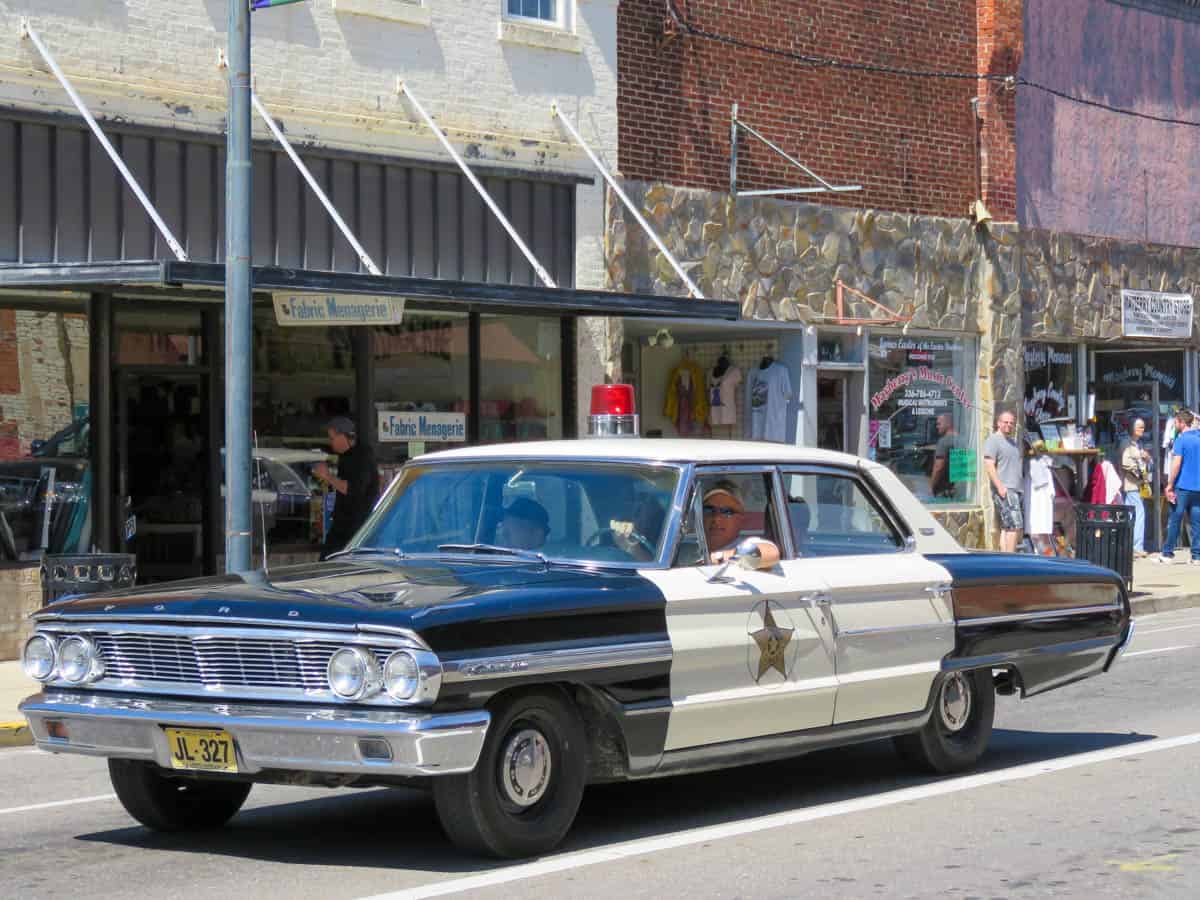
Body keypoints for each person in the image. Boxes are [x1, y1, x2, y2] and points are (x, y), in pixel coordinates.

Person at [313, 417, 380, 559]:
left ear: (343, 436)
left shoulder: (363, 455)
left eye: (332, 438)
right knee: (326, 563)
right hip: (342, 523)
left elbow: (353, 489)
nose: (330, 442)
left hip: (358, 526)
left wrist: (328, 476)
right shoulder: (345, 456)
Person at [1158, 409, 1200, 564]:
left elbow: (1176, 464)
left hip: (1182, 486)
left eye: (1176, 422)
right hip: (1198, 488)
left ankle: (1167, 553)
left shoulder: (1181, 440)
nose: (1174, 425)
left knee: (1175, 519)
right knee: (1197, 522)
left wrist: (1169, 484)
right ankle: (1197, 556)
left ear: (1182, 423)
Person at [984, 409, 1023, 552]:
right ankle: (1012, 561)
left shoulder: (1012, 442)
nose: (1009, 425)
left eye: (1012, 423)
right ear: (998, 423)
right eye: (1005, 422)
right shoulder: (993, 440)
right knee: (1014, 526)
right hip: (1005, 489)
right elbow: (989, 465)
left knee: (1007, 526)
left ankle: (1005, 558)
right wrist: (1000, 487)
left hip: (1015, 489)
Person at [1120, 418, 1151, 558]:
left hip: (1138, 484)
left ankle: (1129, 545)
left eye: (1143, 427)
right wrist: (1139, 469)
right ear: (1132, 428)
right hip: (1132, 484)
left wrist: (1146, 458)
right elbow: (1125, 463)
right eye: (1139, 427)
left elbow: (1146, 463)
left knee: (1130, 515)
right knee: (1139, 514)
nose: (1141, 430)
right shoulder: (1127, 443)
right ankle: (1136, 546)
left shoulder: (1138, 444)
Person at [702, 479, 747, 562]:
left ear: (741, 519)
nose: (716, 518)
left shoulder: (745, 546)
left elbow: (770, 552)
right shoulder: (686, 550)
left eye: (727, 512)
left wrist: (720, 557)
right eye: (709, 510)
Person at [929, 413, 962, 500]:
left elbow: (938, 467)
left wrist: (931, 487)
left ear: (948, 424)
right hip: (958, 490)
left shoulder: (944, 442)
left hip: (944, 492)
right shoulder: (963, 440)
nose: (937, 426)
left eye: (939, 424)